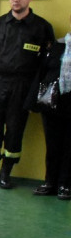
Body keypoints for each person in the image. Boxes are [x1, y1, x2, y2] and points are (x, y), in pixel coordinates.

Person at [0, 0, 54, 188]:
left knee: (15, 127)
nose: (15, 0)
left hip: (23, 84)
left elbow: (47, 59)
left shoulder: (41, 27)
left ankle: (5, 173)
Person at [29, 14, 71, 199]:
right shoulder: (57, 46)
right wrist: (32, 101)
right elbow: (42, 73)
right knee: (52, 146)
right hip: (53, 104)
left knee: (70, 147)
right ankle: (50, 182)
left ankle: (65, 185)